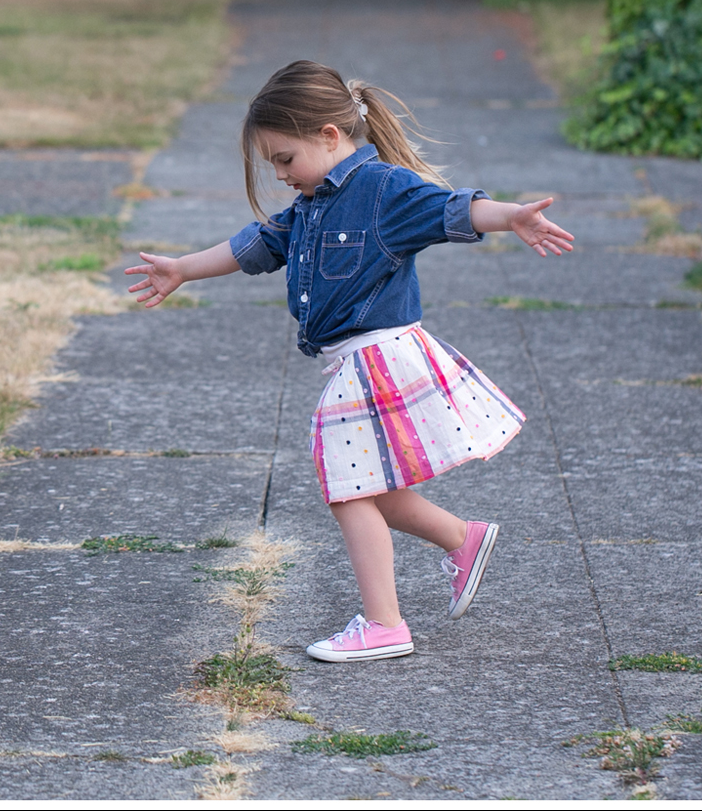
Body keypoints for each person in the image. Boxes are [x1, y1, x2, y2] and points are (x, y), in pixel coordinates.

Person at [126, 60, 573, 663]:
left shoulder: (384, 191)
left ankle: (385, 623)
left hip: (377, 357)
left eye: (285, 159)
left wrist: (510, 214)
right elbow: (255, 245)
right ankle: (461, 540)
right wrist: (182, 267)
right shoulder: (312, 201)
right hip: (356, 361)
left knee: (347, 489)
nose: (281, 174)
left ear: (329, 137)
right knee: (370, 486)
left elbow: (455, 210)